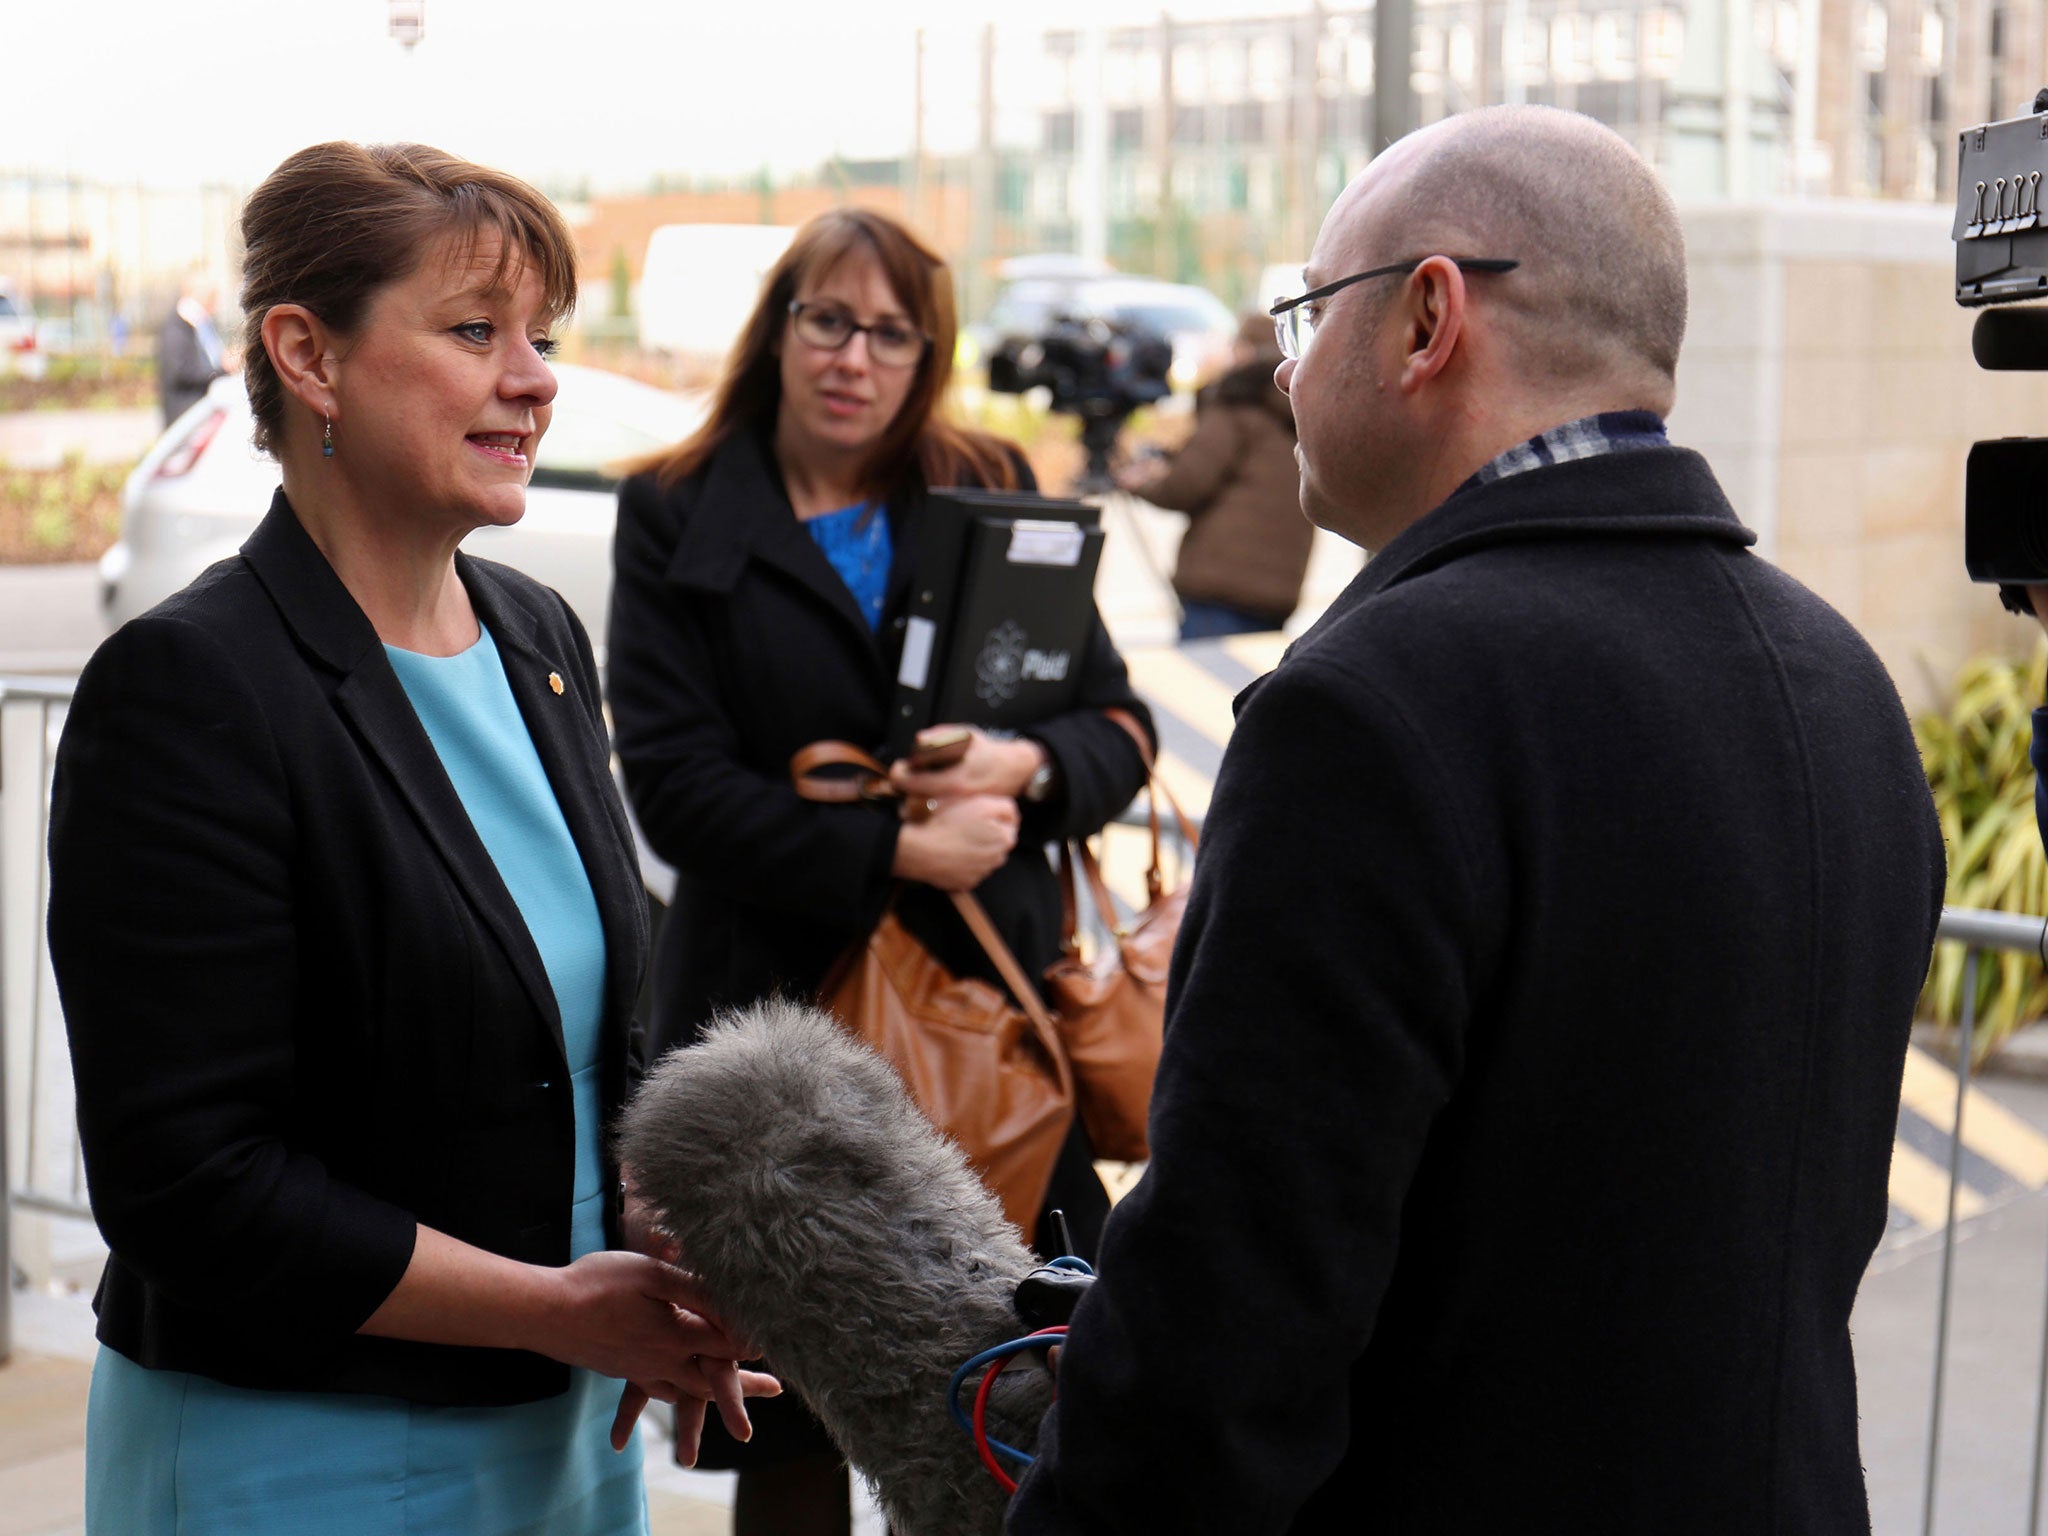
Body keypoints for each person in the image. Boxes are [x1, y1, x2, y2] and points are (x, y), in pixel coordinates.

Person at [1009, 105, 1947, 1534]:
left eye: (1308, 312)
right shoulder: (1841, 679)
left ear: (1426, 318)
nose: (1285, 361)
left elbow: (1228, 1328)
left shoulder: (1371, 710)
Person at [47, 141, 773, 1536]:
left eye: (543, 337)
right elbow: (189, 1185)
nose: (539, 378)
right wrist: (556, 1307)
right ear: (307, 355)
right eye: (474, 332)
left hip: (562, 1427)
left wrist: (655, 1232)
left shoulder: (539, 639)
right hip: (304, 1451)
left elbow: (562, 1047)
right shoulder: (195, 688)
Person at [606, 206, 1153, 1536]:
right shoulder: (676, 507)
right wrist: (897, 843)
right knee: (785, 1420)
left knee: (1023, 1390)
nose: (855, 356)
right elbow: (677, 791)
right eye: (828, 320)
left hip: (994, 1030)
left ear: (929, 353)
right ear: (779, 330)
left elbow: (1117, 727)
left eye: (891, 333)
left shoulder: (993, 483)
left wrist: (1020, 771)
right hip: (778, 1040)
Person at [1116, 311, 1317, 639]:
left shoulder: (1235, 403)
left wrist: (1138, 482)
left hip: (1219, 587)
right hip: (1277, 590)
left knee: (1202, 686)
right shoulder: (1295, 413)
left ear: (1246, 351)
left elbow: (1186, 484)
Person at [156, 268, 228, 425]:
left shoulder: (203, 324)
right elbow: (182, 372)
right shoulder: (176, 328)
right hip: (187, 417)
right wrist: (223, 368)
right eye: (212, 296)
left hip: (204, 412)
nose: (216, 302)